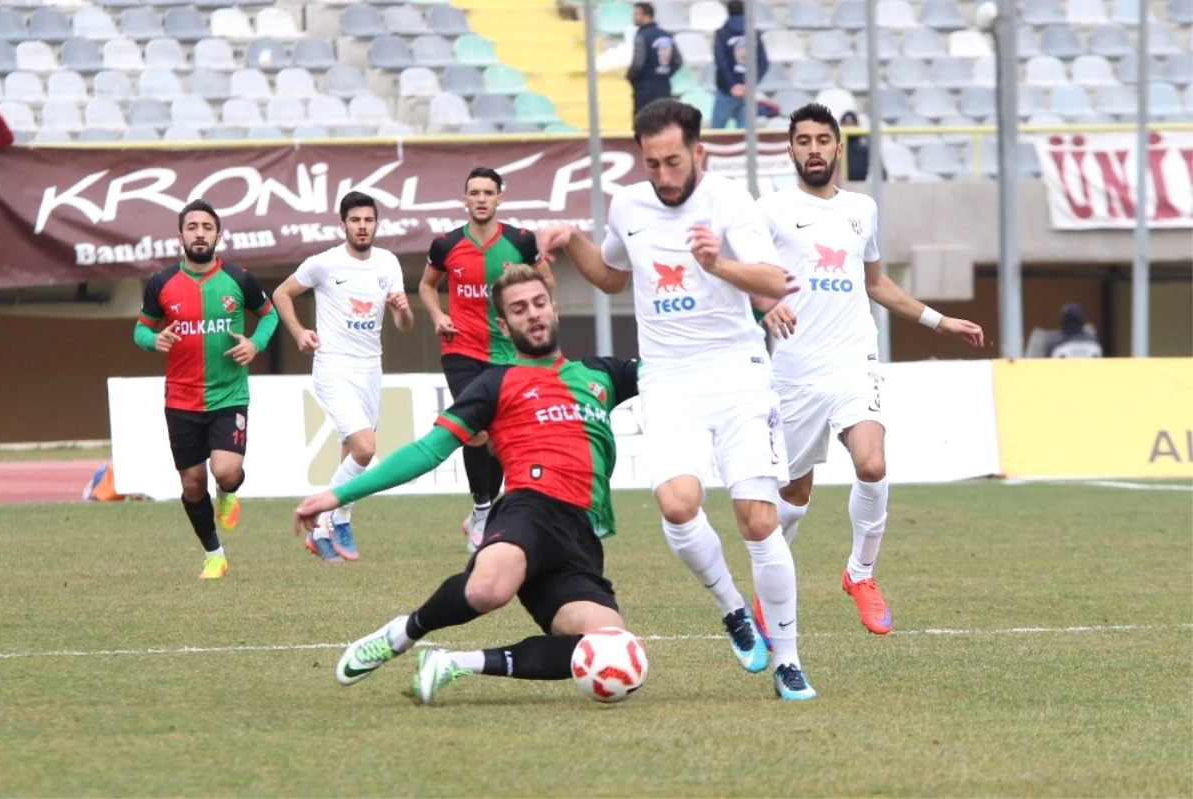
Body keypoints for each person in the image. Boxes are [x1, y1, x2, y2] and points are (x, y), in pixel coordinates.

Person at [534, 99, 815, 701]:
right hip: (667, 377)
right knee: (677, 503)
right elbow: (612, 276)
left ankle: (788, 660)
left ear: (699, 153)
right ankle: (732, 607)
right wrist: (574, 239)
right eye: (652, 163)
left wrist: (718, 263)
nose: (663, 176)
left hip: (738, 373)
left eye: (673, 161)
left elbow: (775, 281)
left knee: (758, 519)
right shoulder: (629, 205)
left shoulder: (729, 202)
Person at [294, 265, 638, 705]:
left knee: (613, 647)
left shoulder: (603, 374)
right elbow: (428, 450)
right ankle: (401, 634)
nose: (532, 314)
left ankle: (454, 664)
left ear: (553, 308)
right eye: (518, 309)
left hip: (582, 536)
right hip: (529, 510)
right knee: (486, 589)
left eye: (538, 303)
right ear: (503, 325)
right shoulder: (494, 384)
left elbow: (675, 376)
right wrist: (338, 494)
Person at [753, 103, 985, 636]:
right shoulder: (768, 211)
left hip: (854, 361)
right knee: (793, 494)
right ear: (790, 150)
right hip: (793, 370)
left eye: (823, 140)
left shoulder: (863, 208)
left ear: (839, 148)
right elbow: (743, 276)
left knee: (873, 465)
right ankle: (769, 586)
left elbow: (874, 283)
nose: (814, 149)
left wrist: (938, 320)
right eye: (803, 140)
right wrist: (764, 304)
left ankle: (860, 573)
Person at [133, 199, 279, 579]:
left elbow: (270, 315)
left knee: (226, 472)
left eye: (207, 227)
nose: (200, 233)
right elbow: (140, 329)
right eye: (192, 226)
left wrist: (254, 343)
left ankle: (228, 492)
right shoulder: (161, 283)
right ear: (180, 235)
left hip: (229, 394)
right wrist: (152, 341)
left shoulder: (239, 279)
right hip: (181, 398)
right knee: (193, 482)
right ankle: (214, 554)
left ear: (218, 234)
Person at [271, 191, 413, 562]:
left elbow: (404, 325)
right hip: (333, 366)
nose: (362, 226)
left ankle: (333, 524)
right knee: (366, 449)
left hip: (370, 368)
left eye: (368, 220)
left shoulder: (388, 264)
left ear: (376, 224)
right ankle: (322, 518)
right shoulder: (324, 263)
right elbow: (281, 293)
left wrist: (403, 309)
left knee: (352, 451)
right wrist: (300, 332)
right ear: (343, 225)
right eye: (355, 220)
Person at [418, 167, 554, 553]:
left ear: (499, 198)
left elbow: (546, 282)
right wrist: (437, 315)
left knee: (498, 437)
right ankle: (481, 511)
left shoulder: (521, 241)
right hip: (460, 349)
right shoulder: (446, 245)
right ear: (465, 199)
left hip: (509, 353)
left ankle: (487, 507)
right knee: (474, 429)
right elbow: (427, 285)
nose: (481, 198)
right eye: (474, 192)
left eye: (488, 192)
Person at [711, 0, 769, 130]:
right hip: (747, 91)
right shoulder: (754, 33)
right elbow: (763, 62)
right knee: (745, 135)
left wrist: (732, 85)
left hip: (726, 91)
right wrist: (750, 84)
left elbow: (721, 63)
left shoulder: (722, 33)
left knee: (716, 132)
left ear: (728, 12)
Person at [627, 3, 682, 117]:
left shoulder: (642, 35)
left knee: (643, 123)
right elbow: (678, 61)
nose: (633, 17)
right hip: (664, 86)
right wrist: (664, 73)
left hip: (644, 88)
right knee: (662, 123)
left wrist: (630, 76)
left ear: (647, 15)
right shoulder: (666, 35)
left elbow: (638, 63)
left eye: (637, 13)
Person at [839, 111, 869, 182]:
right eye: (846, 123)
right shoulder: (834, 149)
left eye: (852, 123)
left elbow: (882, 174)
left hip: (860, 186)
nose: (849, 126)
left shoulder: (865, 149)